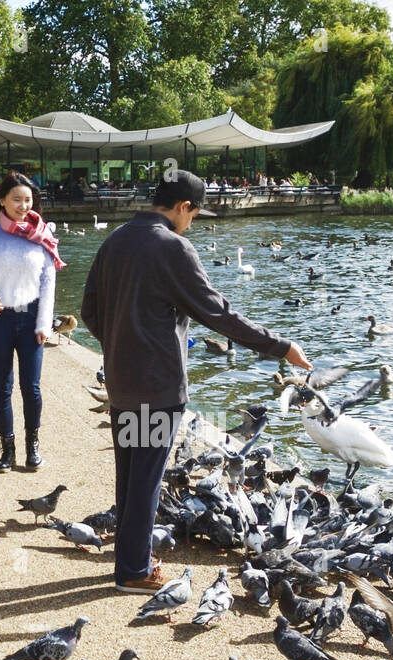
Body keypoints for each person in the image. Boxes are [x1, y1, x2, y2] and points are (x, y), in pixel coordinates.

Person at [80, 169, 312, 593]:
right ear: (184, 206)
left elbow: (90, 312)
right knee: (146, 479)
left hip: (122, 381)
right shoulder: (173, 247)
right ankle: (133, 571)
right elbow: (218, 314)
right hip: (159, 385)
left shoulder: (114, 241)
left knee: (131, 474)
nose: (192, 223)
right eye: (194, 215)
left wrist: (120, 345)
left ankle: (129, 559)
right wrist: (281, 346)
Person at [0, 173, 64, 473]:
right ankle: (7, 449)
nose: (23, 206)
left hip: (32, 318)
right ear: (2, 200)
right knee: (2, 387)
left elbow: (48, 280)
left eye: (28, 200)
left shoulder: (42, 233)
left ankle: (33, 445)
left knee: (31, 387)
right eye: (17, 199)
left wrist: (44, 324)